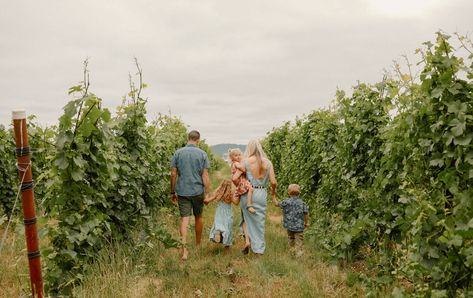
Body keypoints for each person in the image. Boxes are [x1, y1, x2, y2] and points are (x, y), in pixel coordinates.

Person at [170, 130, 210, 260]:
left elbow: (173, 174)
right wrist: (207, 192)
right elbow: (205, 175)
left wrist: (172, 191)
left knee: (184, 219)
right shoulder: (203, 154)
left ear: (188, 138)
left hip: (182, 191)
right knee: (198, 217)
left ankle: (184, 249)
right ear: (198, 140)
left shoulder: (178, 153)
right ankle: (198, 245)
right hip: (197, 191)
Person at [233, 139, 277, 255]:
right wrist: (273, 195)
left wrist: (241, 187)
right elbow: (273, 182)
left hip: (248, 193)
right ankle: (259, 250)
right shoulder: (268, 163)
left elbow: (234, 178)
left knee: (247, 219)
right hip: (261, 193)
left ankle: (250, 243)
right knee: (259, 222)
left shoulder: (246, 162)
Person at [272, 184, 309, 257]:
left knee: (291, 238)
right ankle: (299, 253)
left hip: (289, 226)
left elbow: (276, 204)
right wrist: (306, 223)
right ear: (299, 193)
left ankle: (292, 252)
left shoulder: (286, 202)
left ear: (288, 193)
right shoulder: (302, 203)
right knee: (299, 240)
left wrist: (273, 196)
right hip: (299, 227)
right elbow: (306, 213)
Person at [204, 179, 239, 252]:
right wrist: (239, 195)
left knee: (219, 224)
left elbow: (208, 200)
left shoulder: (218, 193)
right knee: (227, 227)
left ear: (221, 185)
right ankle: (227, 247)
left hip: (219, 212)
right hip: (228, 213)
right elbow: (236, 203)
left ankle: (218, 231)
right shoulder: (230, 195)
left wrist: (206, 199)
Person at [228, 148, 255, 214]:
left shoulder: (233, 163)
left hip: (239, 180)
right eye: (236, 155)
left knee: (238, 198)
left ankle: (230, 196)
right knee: (250, 189)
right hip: (241, 180)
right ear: (232, 158)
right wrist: (245, 169)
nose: (238, 156)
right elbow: (242, 168)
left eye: (239, 155)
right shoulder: (236, 163)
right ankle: (249, 205)